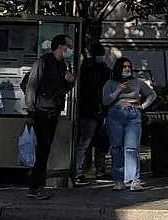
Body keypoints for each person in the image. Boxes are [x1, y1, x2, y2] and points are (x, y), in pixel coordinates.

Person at [21, 34, 73, 198]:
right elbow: (31, 86)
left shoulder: (63, 64)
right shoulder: (43, 62)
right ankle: (36, 186)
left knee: (45, 148)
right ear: (60, 46)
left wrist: (70, 82)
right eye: (68, 46)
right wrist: (31, 111)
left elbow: (62, 89)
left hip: (53, 111)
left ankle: (36, 185)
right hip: (41, 112)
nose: (70, 50)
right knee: (43, 149)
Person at [100, 56, 156, 190]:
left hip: (133, 115)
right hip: (116, 114)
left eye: (129, 67)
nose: (127, 69)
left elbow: (152, 94)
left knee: (131, 147)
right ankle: (119, 179)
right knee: (116, 147)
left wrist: (142, 106)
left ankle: (133, 179)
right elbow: (105, 101)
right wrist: (118, 90)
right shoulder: (110, 83)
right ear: (119, 68)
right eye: (124, 67)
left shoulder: (137, 82)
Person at [73, 42, 112, 182]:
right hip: (93, 110)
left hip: (92, 110)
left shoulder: (92, 68)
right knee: (89, 142)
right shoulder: (93, 69)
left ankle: (82, 171)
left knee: (94, 142)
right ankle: (85, 171)